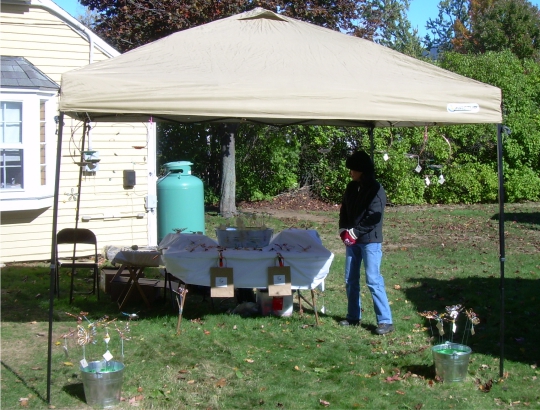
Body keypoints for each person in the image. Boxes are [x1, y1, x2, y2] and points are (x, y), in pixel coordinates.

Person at [338, 150, 394, 335]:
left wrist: (355, 232)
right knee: (350, 279)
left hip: (370, 241)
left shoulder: (376, 189)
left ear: (362, 170)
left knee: (373, 280)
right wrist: (343, 229)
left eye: (353, 170)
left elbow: (374, 217)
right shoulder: (351, 187)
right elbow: (344, 209)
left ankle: (385, 321)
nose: (350, 173)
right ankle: (353, 316)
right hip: (352, 242)